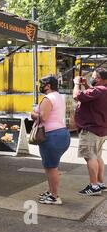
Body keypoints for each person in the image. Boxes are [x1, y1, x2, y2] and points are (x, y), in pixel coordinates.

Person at [31, 75, 70, 205]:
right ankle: (51, 191)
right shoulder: (58, 96)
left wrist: (33, 114)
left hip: (51, 136)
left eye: (41, 84)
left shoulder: (48, 98)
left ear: (48, 85)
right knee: (51, 166)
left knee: (51, 167)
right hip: (61, 134)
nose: (40, 86)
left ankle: (54, 196)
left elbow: (44, 118)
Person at [73, 68, 107, 196]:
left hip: (91, 130)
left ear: (103, 80)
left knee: (90, 157)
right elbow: (92, 94)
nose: (93, 79)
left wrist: (76, 84)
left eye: (95, 77)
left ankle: (93, 186)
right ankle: (99, 183)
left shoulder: (100, 90)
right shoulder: (102, 91)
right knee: (97, 156)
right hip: (100, 129)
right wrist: (86, 85)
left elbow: (77, 96)